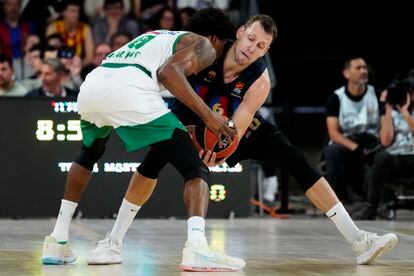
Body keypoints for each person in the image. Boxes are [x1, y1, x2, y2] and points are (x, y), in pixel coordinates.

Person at [97, 15, 398, 267]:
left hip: (229, 124)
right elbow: (171, 77)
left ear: (266, 50)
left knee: (294, 158)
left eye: (261, 46)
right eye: (251, 39)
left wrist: (218, 148)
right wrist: (194, 135)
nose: (252, 49)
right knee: (151, 163)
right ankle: (113, 242)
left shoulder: (260, 80)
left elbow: (236, 131)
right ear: (240, 33)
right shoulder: (207, 49)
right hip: (189, 114)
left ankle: (359, 241)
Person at [41, 8, 243, 271]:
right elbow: (168, 74)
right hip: (128, 90)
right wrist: (209, 117)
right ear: (215, 38)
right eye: (222, 48)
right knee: (195, 167)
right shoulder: (203, 44)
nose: (217, 57)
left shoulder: (156, 35)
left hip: (93, 86)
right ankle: (197, 248)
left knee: (89, 154)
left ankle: (57, 240)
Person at [352, 80, 414, 219]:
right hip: (399, 158)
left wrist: (405, 113)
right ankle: (371, 207)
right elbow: (386, 140)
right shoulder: (390, 112)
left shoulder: (406, 112)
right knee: (381, 157)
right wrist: (388, 109)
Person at [324, 57, 380, 202]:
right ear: (346, 73)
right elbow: (333, 133)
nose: (363, 71)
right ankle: (338, 203)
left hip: (373, 142)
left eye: (365, 68)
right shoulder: (336, 97)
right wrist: (357, 148)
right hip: (349, 142)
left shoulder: (377, 94)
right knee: (332, 151)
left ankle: (378, 201)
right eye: (358, 68)